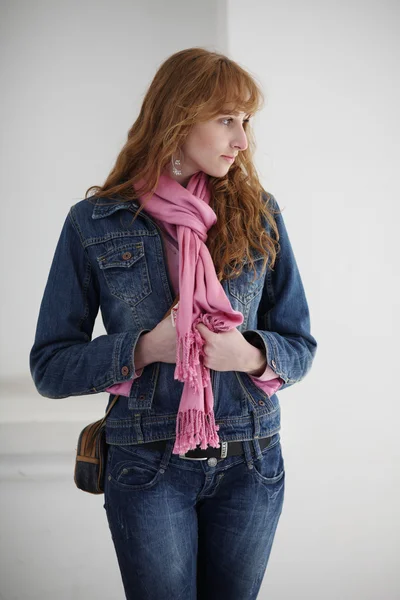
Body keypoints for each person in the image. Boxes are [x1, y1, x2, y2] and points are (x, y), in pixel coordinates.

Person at [30, 47, 317, 600]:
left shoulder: (260, 213)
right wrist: (143, 349)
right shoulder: (94, 221)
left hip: (252, 462)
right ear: (179, 117)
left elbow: (300, 344)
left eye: (247, 122)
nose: (242, 140)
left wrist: (249, 354)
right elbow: (50, 367)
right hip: (145, 465)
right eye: (227, 119)